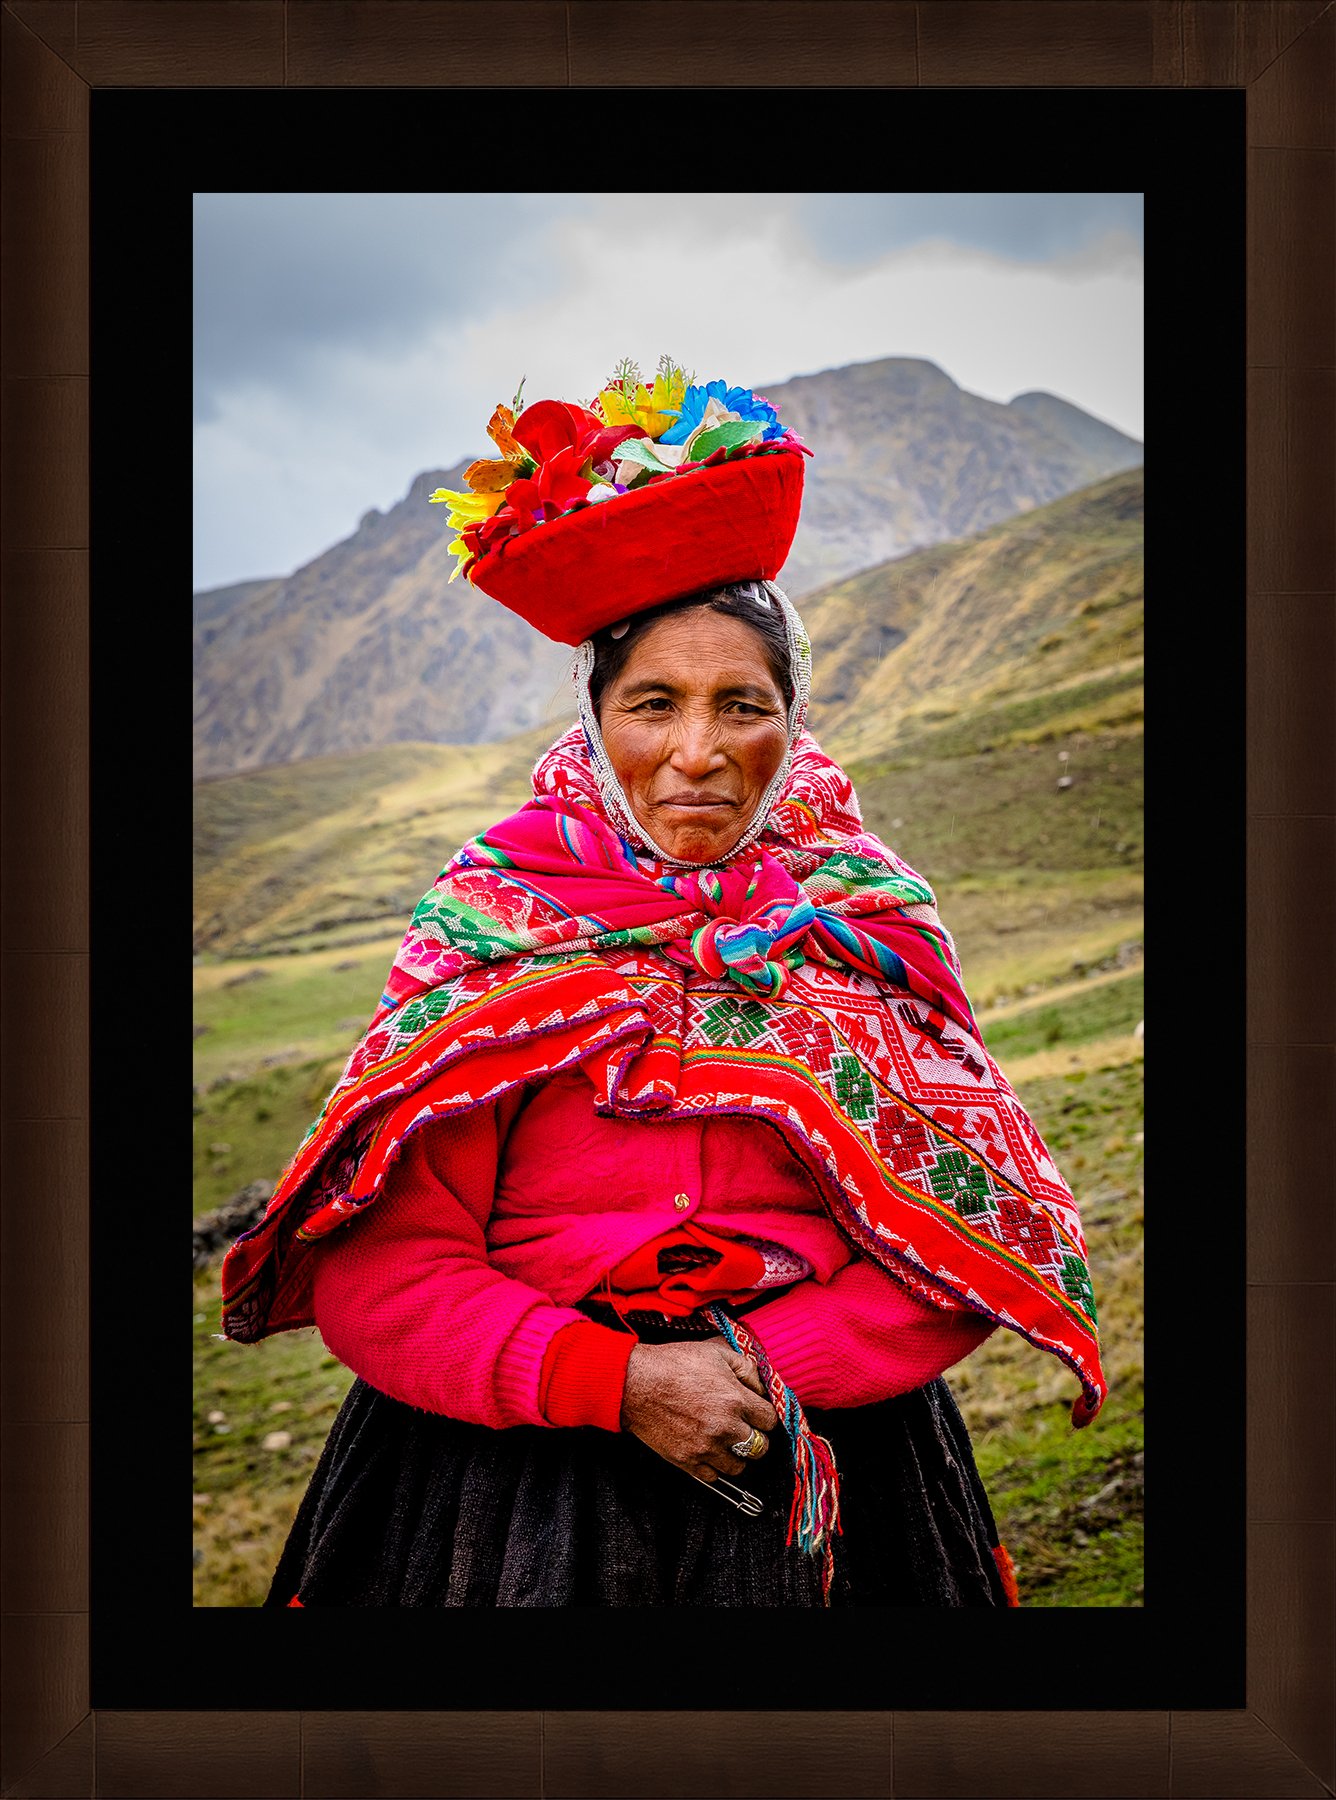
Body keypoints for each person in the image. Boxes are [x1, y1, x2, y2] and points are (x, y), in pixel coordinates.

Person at [220, 360, 1105, 1608]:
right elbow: (384, 1276)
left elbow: (959, 1231)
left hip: (832, 1472)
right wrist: (616, 1384)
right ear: (594, 727)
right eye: (652, 704)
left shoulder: (860, 924)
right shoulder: (494, 926)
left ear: (792, 729)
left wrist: (755, 1373)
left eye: (741, 705)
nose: (697, 751)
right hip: (505, 1497)